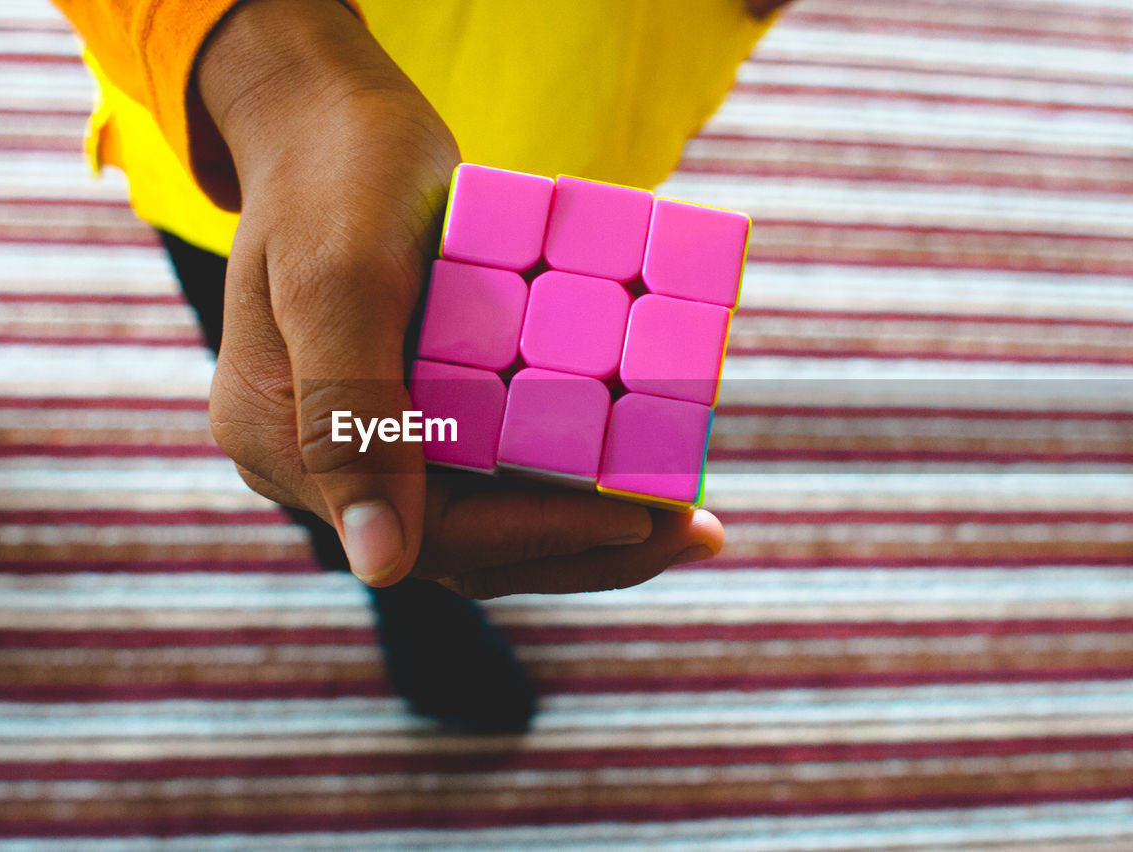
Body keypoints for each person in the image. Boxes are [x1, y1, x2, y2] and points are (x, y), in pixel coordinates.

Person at [50, 0, 789, 732]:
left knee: (515, 400)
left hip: (592, 87)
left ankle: (406, 560)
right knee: (331, 433)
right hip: (248, 143)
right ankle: (396, 595)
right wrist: (269, 72)